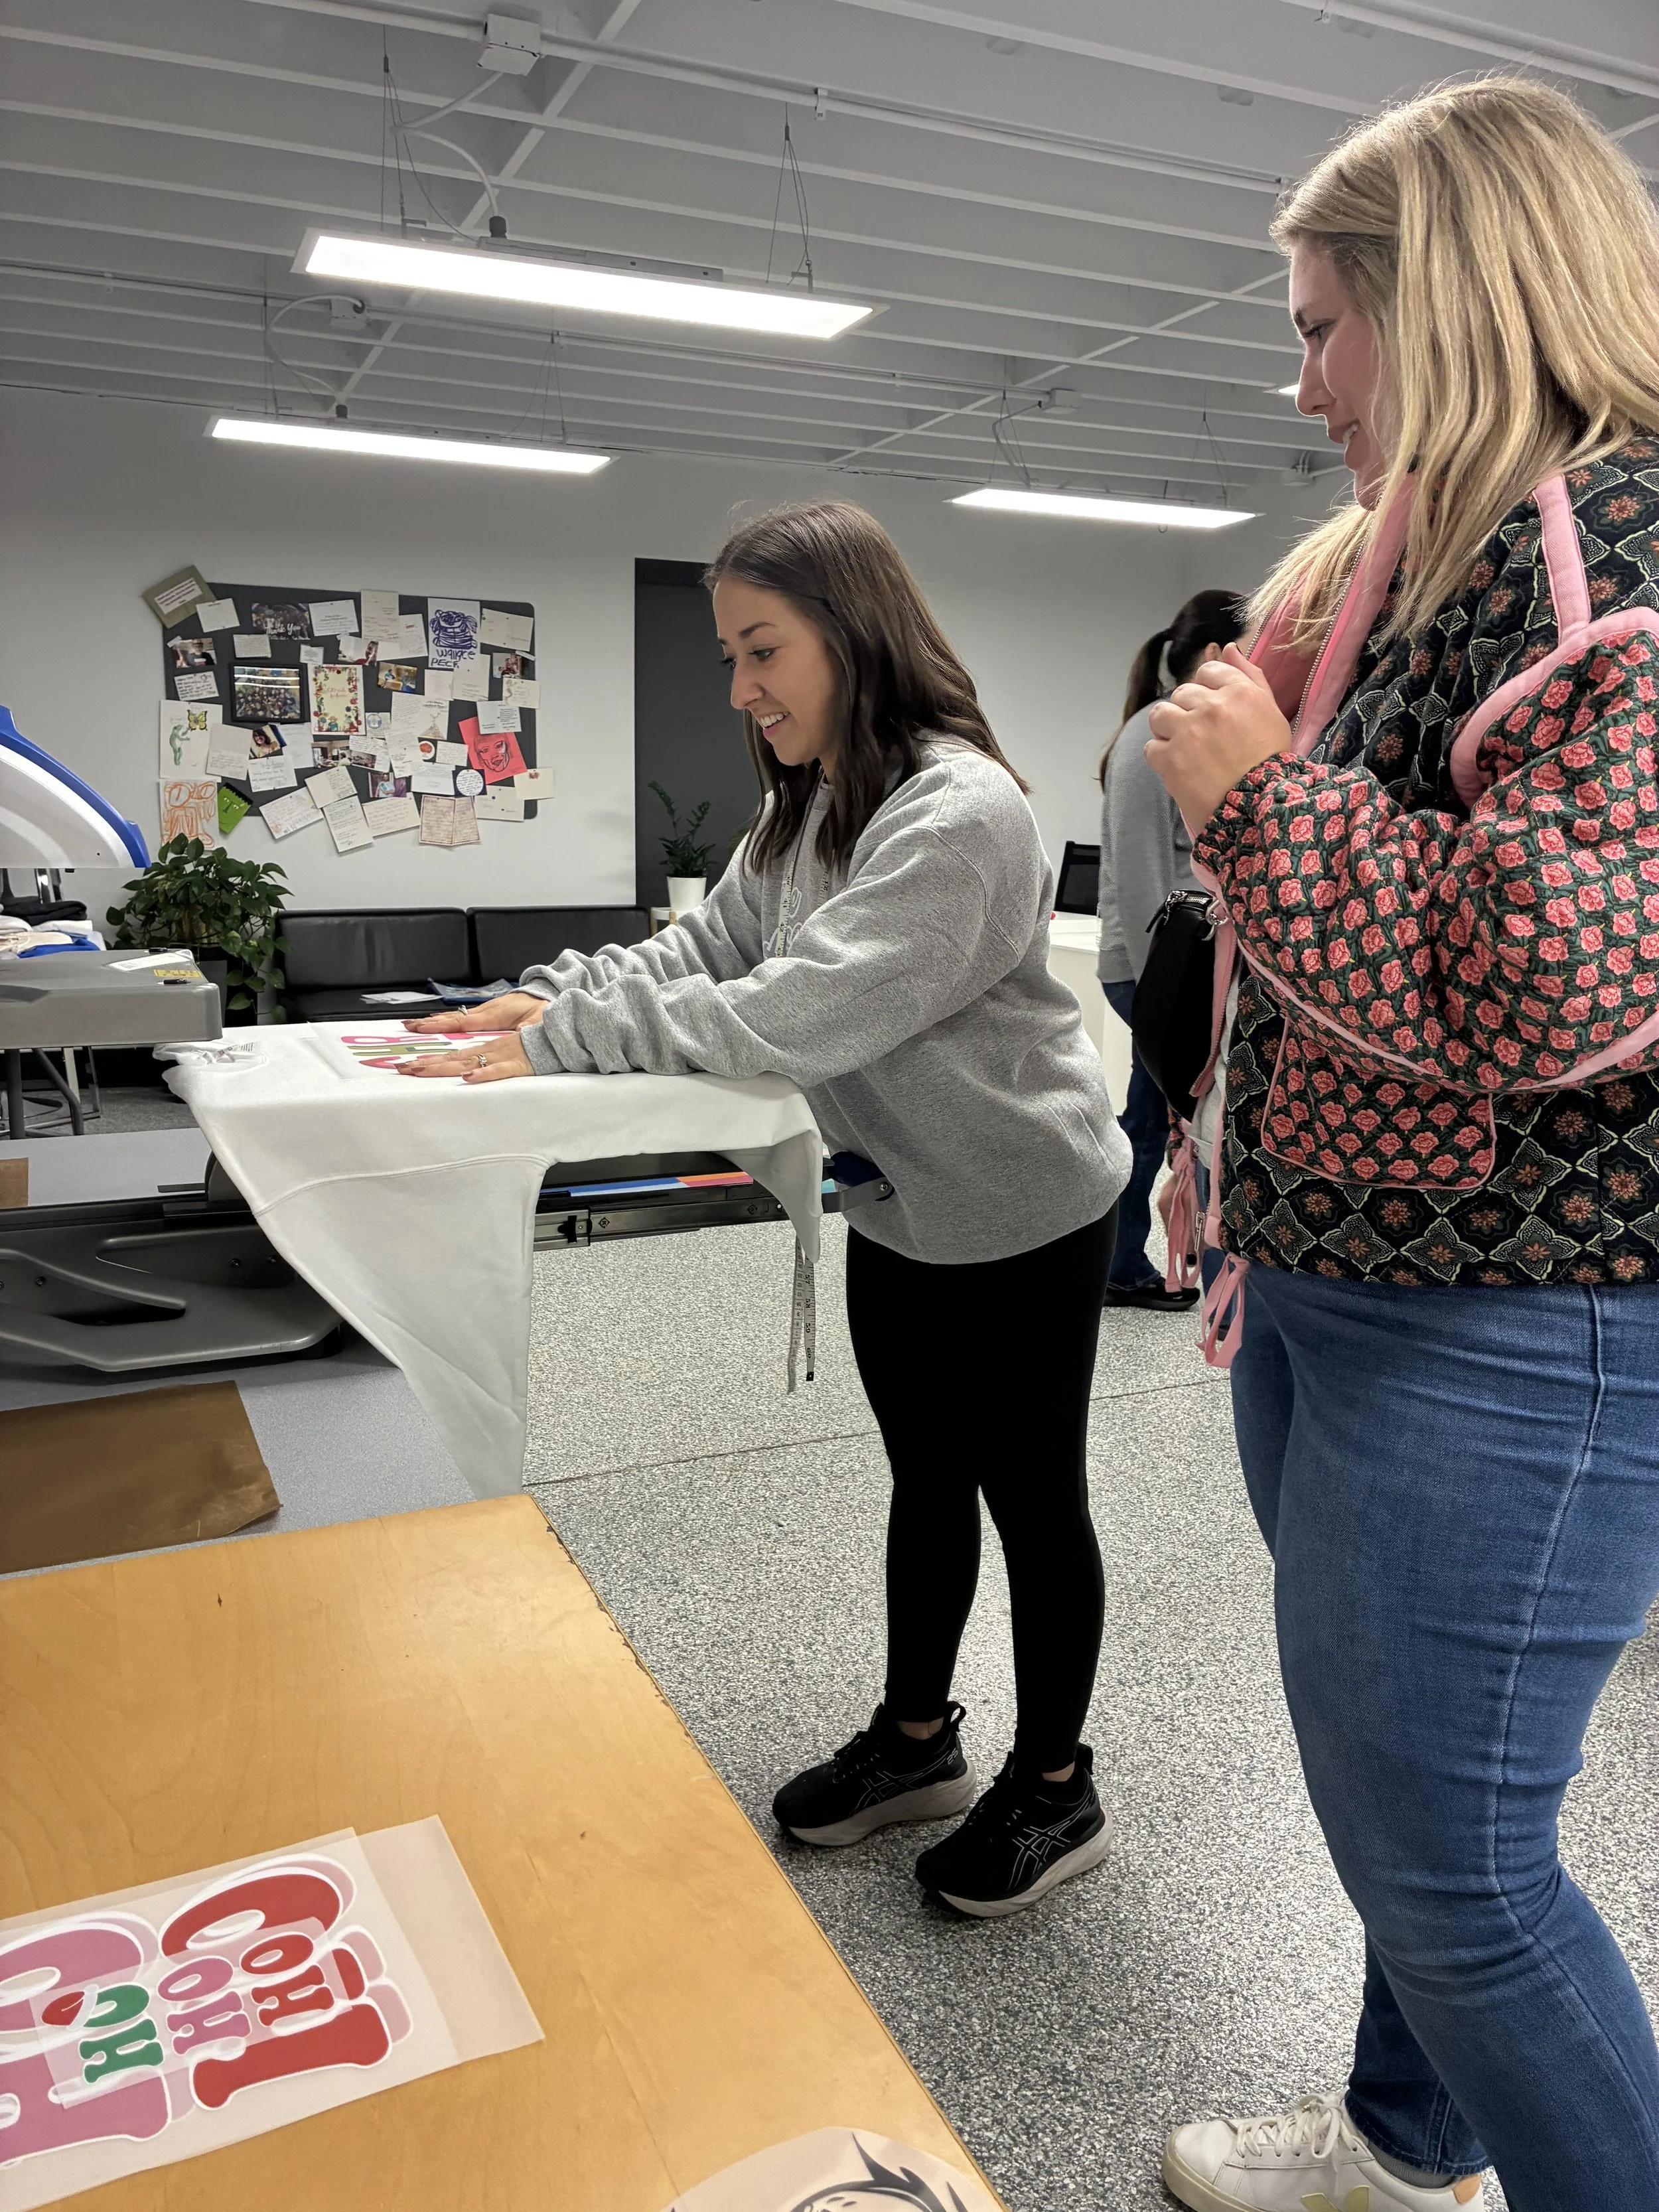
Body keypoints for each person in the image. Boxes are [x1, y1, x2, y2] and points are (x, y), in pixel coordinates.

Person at [1144, 79, 1659, 2212]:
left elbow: (1551, 985)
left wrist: (1260, 795)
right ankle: (1395, 2140)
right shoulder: (1406, 555)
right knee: (1392, 1815)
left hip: (1512, 1324)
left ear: (1443, 299)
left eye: (1321, 326)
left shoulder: (1609, 549)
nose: (1301, 382)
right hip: (1350, 1286)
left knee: (1452, 1869)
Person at [397, 500, 1133, 1918]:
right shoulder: (803, 805)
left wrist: (555, 1041)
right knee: (926, 1475)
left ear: (850, 635)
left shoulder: (960, 811)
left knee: (1031, 1496)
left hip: (1023, 1206)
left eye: (760, 648)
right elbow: (704, 945)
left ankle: (1054, 1785)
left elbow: (797, 1010)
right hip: (902, 1201)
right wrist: (553, 998)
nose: (738, 688)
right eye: (729, 653)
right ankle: (917, 1743)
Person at [1097, 589, 1245, 1309]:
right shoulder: (1147, 739)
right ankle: (1121, 1263)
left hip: (1179, 971)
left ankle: (1127, 1259)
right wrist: (1174, 995)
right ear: (1218, 656)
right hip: (1155, 975)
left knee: (1155, 1119)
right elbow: (1141, 878)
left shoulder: (1178, 730)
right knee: (1153, 1123)